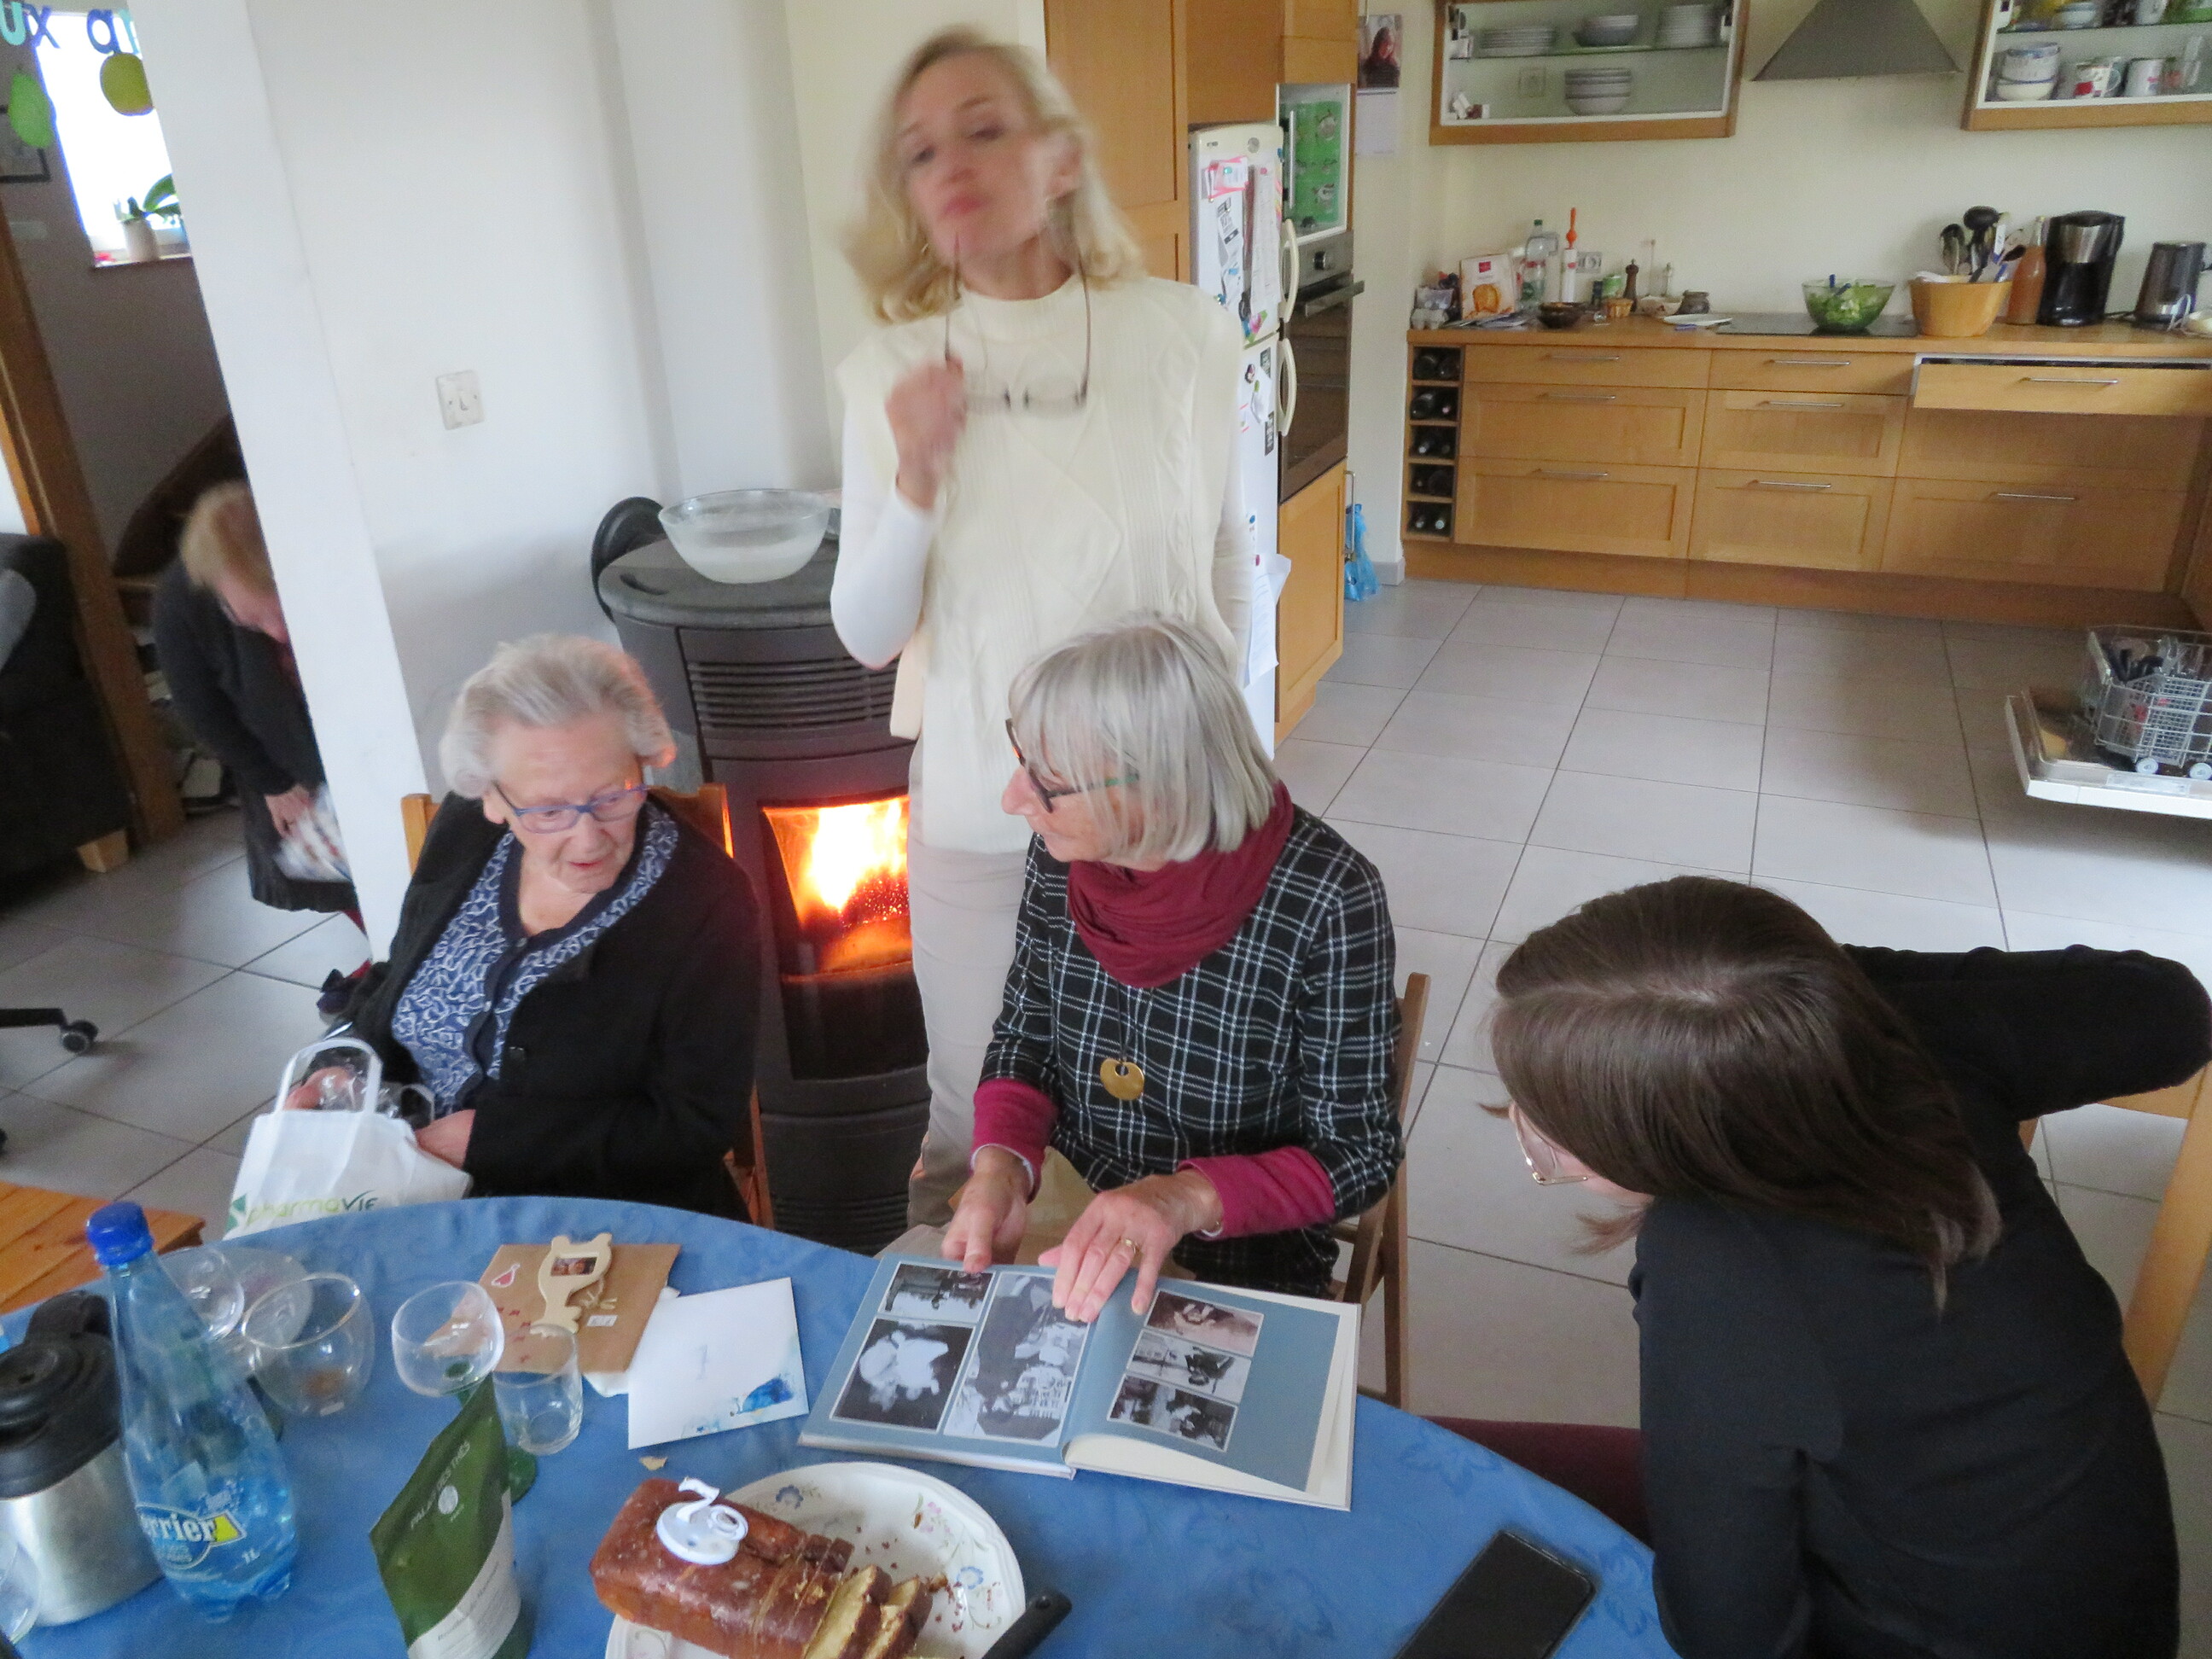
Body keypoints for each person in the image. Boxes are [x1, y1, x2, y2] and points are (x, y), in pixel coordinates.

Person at [1469, 876, 2209, 1659]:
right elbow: (2170, 1012)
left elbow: (1728, 1630)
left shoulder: (1715, 1263)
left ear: (1659, 1139)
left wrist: (1784, 993)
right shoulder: (1905, 1043)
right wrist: (1801, 992)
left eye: (1556, 1134)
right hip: (2110, 1607)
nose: (1548, 1150)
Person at [833, 27, 1258, 1227]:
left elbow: (1225, 555)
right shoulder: (889, 370)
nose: (951, 168)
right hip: (988, 816)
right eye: (921, 152)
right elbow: (868, 633)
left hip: (1171, 807)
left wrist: (1232, 747)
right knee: (984, 1126)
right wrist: (918, 477)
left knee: (1174, 1112)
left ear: (1061, 159)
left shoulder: (1184, 334)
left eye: (984, 129)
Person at [940, 617, 1400, 1318]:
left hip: (1240, 1254)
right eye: (1023, 762)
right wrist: (1001, 1166)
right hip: (1071, 1205)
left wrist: (1180, 1198)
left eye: (1049, 783)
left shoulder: (1328, 897)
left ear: (1157, 787)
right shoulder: (1063, 853)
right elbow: (1026, 1031)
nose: (1014, 799)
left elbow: (1360, 1154)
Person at [337, 635, 762, 1218]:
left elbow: (691, 1127)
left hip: (602, 1217)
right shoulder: (464, 832)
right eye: (548, 811)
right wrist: (337, 1066)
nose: (587, 840)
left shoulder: (706, 901)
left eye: (612, 797)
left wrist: (482, 1142)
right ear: (492, 799)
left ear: (642, 763)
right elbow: (398, 976)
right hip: (404, 1186)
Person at [152, 482, 361, 996]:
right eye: (254, 618)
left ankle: (408, 943)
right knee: (318, 856)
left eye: (285, 611)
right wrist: (274, 783)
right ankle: (390, 945)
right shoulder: (181, 600)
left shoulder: (326, 558)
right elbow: (201, 708)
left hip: (350, 726)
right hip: (270, 748)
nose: (279, 632)